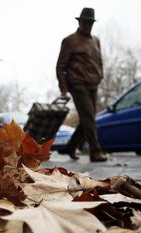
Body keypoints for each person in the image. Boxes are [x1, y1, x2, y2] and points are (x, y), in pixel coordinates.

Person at [56, 7, 108, 162]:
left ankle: (70, 146)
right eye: (85, 22)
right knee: (88, 117)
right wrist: (64, 89)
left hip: (93, 84)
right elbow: (60, 66)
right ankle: (95, 151)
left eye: (90, 23)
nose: (87, 25)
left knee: (88, 118)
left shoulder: (96, 41)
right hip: (77, 84)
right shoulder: (70, 40)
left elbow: (99, 61)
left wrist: (100, 75)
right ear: (79, 22)